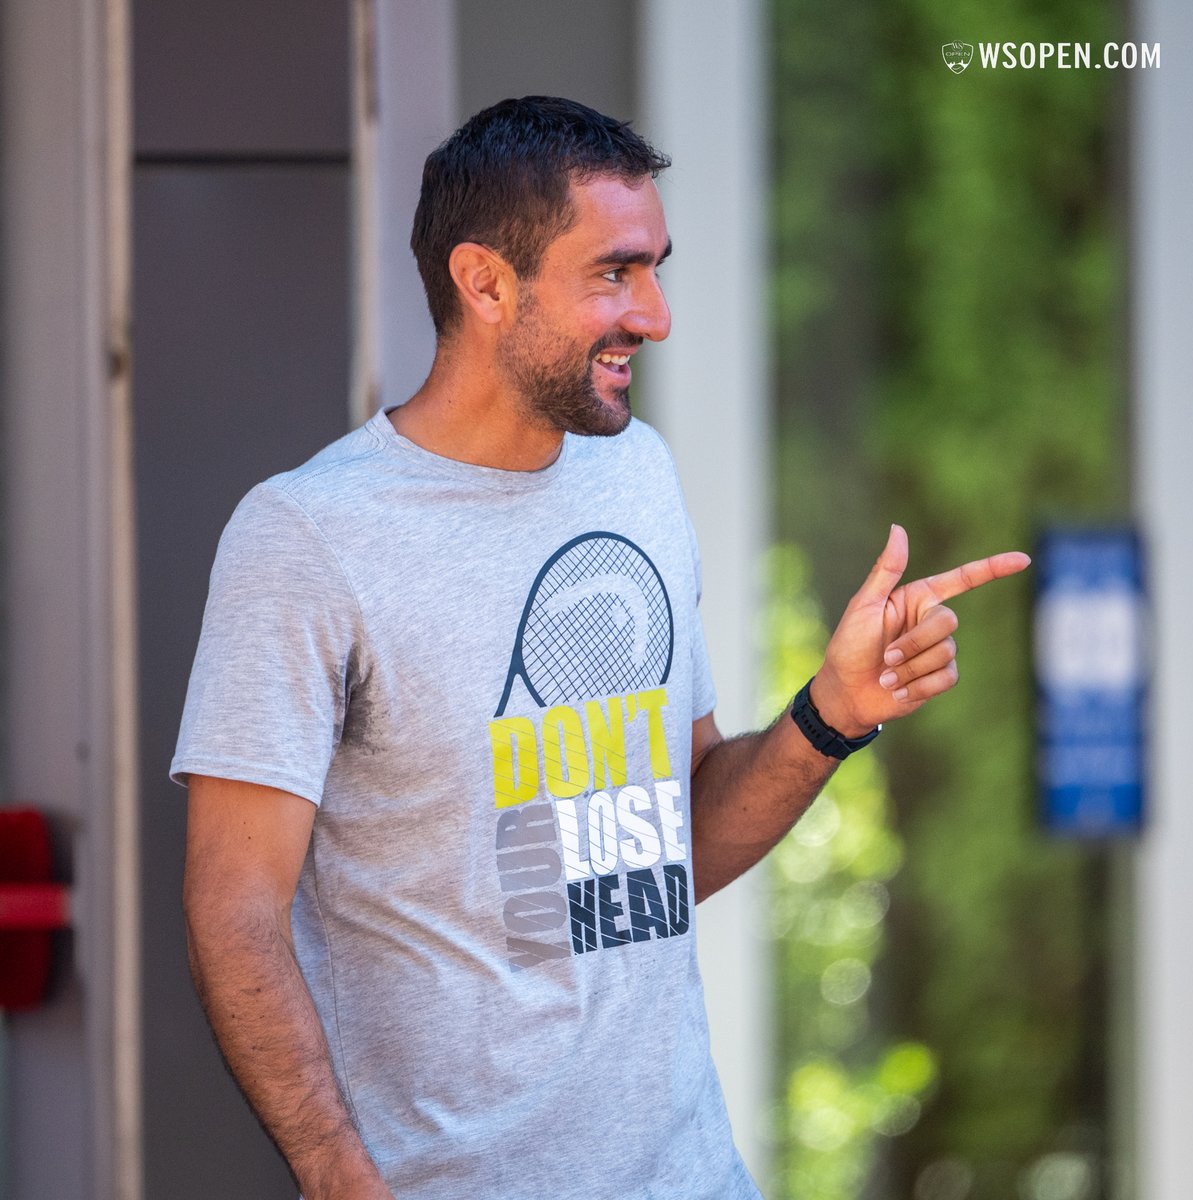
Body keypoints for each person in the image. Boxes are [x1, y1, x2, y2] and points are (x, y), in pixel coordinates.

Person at [173, 96, 1028, 1200]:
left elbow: (667, 847)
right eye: (616, 274)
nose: (657, 315)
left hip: (692, 1175)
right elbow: (232, 908)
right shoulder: (306, 536)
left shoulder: (638, 477)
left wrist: (832, 713)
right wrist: (339, 1176)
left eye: (656, 269)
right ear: (486, 283)